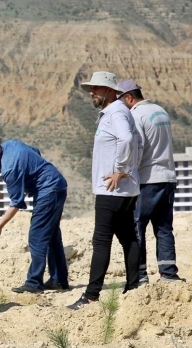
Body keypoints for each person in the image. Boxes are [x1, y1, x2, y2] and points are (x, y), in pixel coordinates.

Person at [68, 71, 141, 310]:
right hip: (122, 190)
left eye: (96, 88)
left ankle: (90, 296)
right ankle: (133, 288)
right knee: (128, 238)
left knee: (101, 241)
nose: (92, 92)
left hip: (112, 190)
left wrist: (120, 169)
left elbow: (127, 139)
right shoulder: (115, 112)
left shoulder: (116, 111)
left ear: (110, 90)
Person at [0, 139, 69, 293]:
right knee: (51, 236)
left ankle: (34, 283)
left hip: (48, 190)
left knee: (37, 236)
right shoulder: (11, 144)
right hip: (56, 184)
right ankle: (59, 280)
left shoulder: (10, 167)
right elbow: (35, 151)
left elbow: (16, 203)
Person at [117, 80, 183, 284]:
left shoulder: (136, 115)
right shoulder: (161, 111)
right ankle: (169, 273)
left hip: (148, 180)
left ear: (129, 97)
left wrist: (126, 172)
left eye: (121, 101)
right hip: (168, 178)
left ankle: (140, 275)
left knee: (137, 226)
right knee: (163, 227)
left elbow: (138, 148)